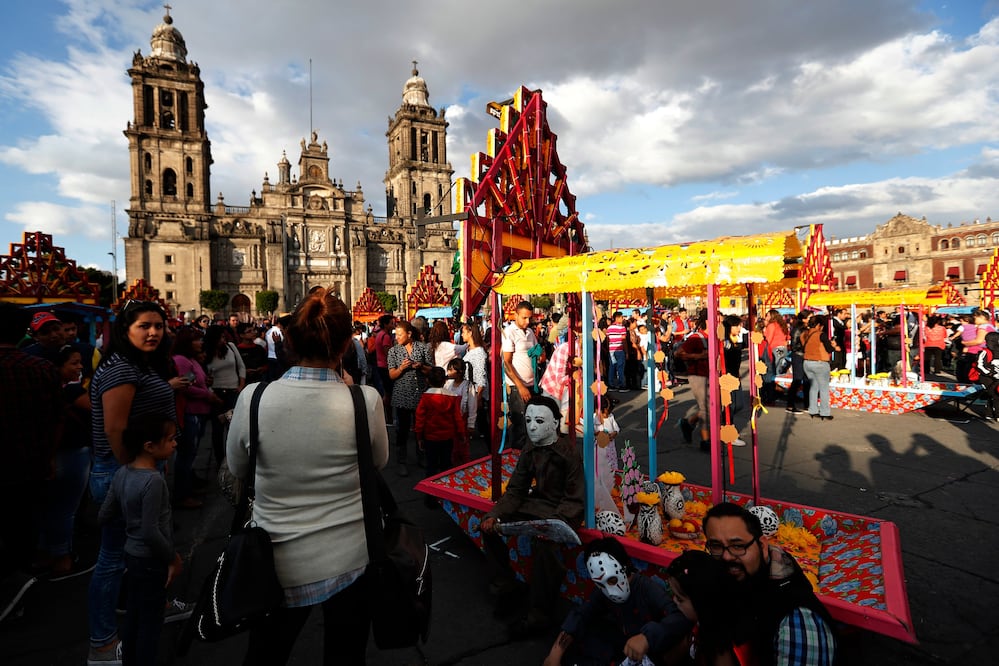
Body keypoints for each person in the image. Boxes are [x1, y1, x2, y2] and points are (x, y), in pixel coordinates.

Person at [225, 288, 389, 665]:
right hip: (352, 558)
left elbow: (238, 469)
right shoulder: (364, 400)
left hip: (273, 561)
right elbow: (377, 463)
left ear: (290, 341)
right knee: (346, 656)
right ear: (346, 344)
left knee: (265, 655)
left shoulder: (254, 398)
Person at [87, 300, 190, 664]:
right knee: (114, 558)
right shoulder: (121, 368)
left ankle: (156, 603)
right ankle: (102, 642)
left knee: (145, 549)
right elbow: (115, 429)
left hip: (141, 469)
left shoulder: (136, 364)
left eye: (159, 326)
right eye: (144, 326)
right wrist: (134, 471)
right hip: (125, 471)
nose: (153, 332)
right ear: (125, 330)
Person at [480, 395, 584, 637]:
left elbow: (574, 498)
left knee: (547, 548)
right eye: (528, 421)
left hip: (561, 512)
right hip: (535, 504)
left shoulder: (568, 454)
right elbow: (516, 489)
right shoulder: (530, 448)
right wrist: (495, 514)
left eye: (539, 421)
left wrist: (555, 524)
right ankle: (506, 588)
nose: (532, 427)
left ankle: (540, 614)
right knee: (489, 526)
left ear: (555, 423)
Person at [703, 502, 837, 665]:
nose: (726, 556)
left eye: (738, 546)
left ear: (762, 546)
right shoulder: (739, 579)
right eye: (716, 546)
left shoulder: (795, 622)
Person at [98, 414, 183, 666]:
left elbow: (104, 515)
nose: (175, 443)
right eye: (170, 439)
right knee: (151, 622)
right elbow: (150, 531)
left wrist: (129, 517)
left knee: (134, 615)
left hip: (132, 557)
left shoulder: (122, 473)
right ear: (149, 446)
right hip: (152, 560)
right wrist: (172, 558)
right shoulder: (153, 480)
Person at [0, 304, 63, 624]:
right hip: (30, 463)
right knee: (22, 527)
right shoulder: (41, 368)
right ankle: (17, 589)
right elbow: (57, 419)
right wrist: (50, 456)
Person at [543, 537, 691, 666]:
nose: (609, 590)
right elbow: (582, 613)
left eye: (612, 580)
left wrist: (647, 637)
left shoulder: (647, 589)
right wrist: (555, 654)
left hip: (652, 651)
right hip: (623, 645)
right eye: (601, 584)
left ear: (625, 568)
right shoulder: (603, 590)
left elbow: (679, 617)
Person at [35, 344, 94, 580]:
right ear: (57, 367)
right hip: (70, 453)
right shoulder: (71, 391)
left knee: (47, 507)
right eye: (74, 363)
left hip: (46, 454)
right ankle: (62, 558)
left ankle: (45, 554)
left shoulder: (40, 389)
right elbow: (97, 409)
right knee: (65, 509)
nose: (80, 367)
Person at [171, 327, 221, 509]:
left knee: (191, 453)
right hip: (190, 412)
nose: (201, 343)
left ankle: (189, 486)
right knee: (186, 454)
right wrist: (207, 395)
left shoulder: (191, 359)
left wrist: (205, 382)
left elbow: (193, 380)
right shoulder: (182, 360)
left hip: (198, 412)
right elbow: (185, 386)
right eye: (197, 340)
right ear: (187, 342)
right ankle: (182, 494)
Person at [665, 550, 744, 666]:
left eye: (679, 599)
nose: (674, 600)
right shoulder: (699, 623)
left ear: (700, 602)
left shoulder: (720, 650)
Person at [416, 366, 467, 506]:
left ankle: (430, 498)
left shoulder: (426, 397)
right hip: (447, 437)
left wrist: (419, 436)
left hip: (430, 437)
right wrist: (461, 434)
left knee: (431, 467)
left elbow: (420, 419)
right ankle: (446, 496)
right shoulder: (451, 397)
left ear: (428, 380)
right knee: (446, 465)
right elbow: (457, 418)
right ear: (444, 380)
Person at [387, 320, 433, 476]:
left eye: (400, 334)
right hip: (402, 395)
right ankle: (402, 461)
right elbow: (391, 375)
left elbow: (431, 369)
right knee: (402, 430)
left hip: (420, 394)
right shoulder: (393, 351)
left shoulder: (423, 348)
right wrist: (401, 368)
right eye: (396, 334)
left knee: (422, 429)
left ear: (409, 334)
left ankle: (422, 456)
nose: (397, 337)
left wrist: (421, 366)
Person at [204, 325, 246, 469]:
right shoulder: (206, 353)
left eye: (223, 337)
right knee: (217, 429)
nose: (223, 340)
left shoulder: (231, 347)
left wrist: (241, 385)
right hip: (216, 393)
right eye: (219, 338)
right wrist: (210, 391)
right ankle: (219, 460)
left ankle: (233, 459)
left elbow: (241, 366)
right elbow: (204, 375)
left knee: (233, 427)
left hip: (232, 392)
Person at [502, 301, 543, 448]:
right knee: (520, 426)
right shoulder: (509, 332)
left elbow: (536, 351)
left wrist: (539, 356)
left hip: (532, 384)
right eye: (524, 318)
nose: (527, 321)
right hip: (517, 387)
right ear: (516, 315)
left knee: (533, 425)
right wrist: (520, 386)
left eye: (529, 318)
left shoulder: (530, 332)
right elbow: (506, 363)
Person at [676, 313, 711, 452]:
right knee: (706, 408)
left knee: (713, 407)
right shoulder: (697, 337)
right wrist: (699, 356)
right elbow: (678, 353)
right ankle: (705, 440)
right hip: (698, 375)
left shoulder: (716, 337)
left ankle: (689, 423)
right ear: (707, 320)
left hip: (712, 375)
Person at [801, 314, 839, 421]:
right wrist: (834, 346)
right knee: (824, 388)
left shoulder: (804, 334)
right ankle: (825, 412)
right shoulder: (821, 335)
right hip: (820, 363)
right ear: (818, 325)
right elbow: (829, 349)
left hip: (807, 362)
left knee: (813, 387)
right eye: (821, 326)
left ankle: (813, 410)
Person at [444, 357, 476, 463]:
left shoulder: (468, 386)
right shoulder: (448, 384)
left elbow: (472, 405)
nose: (449, 372)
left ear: (460, 371)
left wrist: (471, 423)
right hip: (449, 420)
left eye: (451, 370)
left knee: (462, 444)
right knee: (451, 445)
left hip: (462, 420)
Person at [957, 309, 997, 384]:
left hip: (978, 351)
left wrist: (965, 343)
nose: (974, 319)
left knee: (966, 373)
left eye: (975, 318)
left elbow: (979, 341)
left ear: (982, 317)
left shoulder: (983, 327)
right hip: (988, 352)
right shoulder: (990, 326)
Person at [761, 309, 790, 406]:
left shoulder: (772, 325)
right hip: (783, 348)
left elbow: (768, 339)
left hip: (775, 349)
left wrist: (764, 332)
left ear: (772, 316)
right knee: (780, 371)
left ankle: (773, 394)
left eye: (767, 315)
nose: (766, 317)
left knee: (773, 372)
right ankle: (780, 392)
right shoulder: (782, 324)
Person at [972, 331, 999, 421]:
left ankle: (989, 413)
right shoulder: (984, 352)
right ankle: (997, 414)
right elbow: (979, 365)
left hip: (996, 377)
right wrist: (990, 374)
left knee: (993, 395)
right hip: (986, 377)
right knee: (995, 394)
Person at [606, 311, 628, 392]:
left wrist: (608, 348)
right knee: (620, 368)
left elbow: (607, 340)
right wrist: (626, 351)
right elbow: (624, 340)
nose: (623, 319)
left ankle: (611, 384)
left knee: (612, 367)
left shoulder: (609, 328)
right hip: (620, 349)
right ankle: (622, 385)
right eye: (622, 317)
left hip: (611, 349)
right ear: (617, 318)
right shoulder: (622, 328)